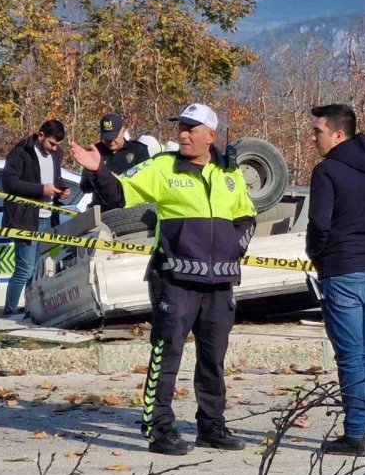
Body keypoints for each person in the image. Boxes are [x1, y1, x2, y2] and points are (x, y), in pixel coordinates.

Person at [72, 102, 256, 456]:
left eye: (191, 129)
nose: (183, 134)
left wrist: (235, 246)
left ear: (210, 136)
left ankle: (212, 425)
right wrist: (99, 172)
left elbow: (246, 215)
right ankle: (158, 428)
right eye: (180, 128)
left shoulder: (229, 175)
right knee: (165, 353)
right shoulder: (162, 168)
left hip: (220, 283)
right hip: (174, 278)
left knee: (213, 357)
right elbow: (120, 195)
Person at [307, 104, 365, 457]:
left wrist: (322, 257)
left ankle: (356, 435)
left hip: (343, 272)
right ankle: (361, 429)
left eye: (318, 131)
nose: (313, 137)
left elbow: (319, 225)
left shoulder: (327, 172)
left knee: (349, 357)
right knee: (364, 354)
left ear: (338, 134)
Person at [2, 120, 70, 316]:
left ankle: (30, 310)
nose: (54, 148)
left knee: (39, 270)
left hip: (49, 218)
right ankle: (10, 312)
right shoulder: (20, 153)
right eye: (51, 143)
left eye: (57, 145)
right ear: (41, 136)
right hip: (26, 219)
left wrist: (61, 189)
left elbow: (54, 180)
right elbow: (9, 183)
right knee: (25, 269)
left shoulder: (56, 154)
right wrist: (41, 190)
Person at [79, 113, 153, 209]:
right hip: (101, 210)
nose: (111, 141)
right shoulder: (96, 152)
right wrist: (98, 175)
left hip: (130, 210)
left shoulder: (138, 150)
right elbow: (85, 187)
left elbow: (148, 184)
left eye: (114, 137)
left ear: (123, 132)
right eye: (107, 138)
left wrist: (120, 181)